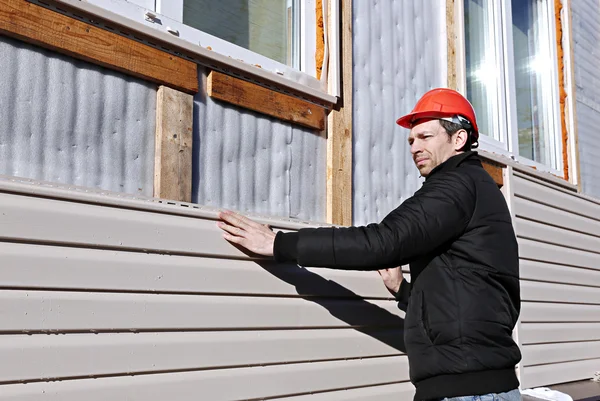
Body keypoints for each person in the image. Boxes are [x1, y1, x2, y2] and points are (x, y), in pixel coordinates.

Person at [217, 88, 522, 401]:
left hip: (468, 392)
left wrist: (279, 243)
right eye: (411, 140)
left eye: (426, 137)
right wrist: (405, 293)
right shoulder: (478, 188)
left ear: (458, 139)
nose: (415, 146)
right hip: (483, 385)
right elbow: (471, 284)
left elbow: (382, 241)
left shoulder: (456, 185)